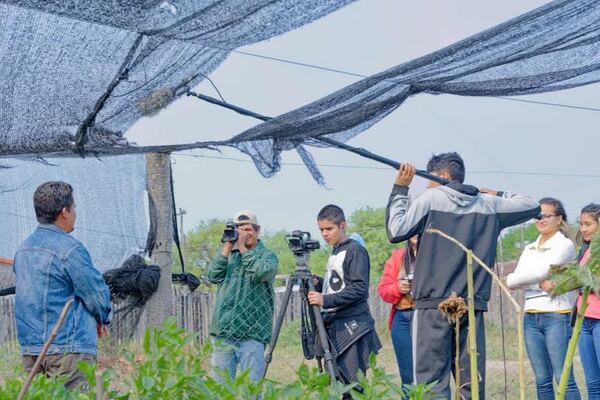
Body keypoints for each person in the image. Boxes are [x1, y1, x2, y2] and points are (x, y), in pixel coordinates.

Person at [385, 153, 540, 399]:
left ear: (444, 177)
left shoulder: (431, 198)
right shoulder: (489, 205)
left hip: (432, 307)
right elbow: (533, 205)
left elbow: (396, 230)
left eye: (430, 178)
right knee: (471, 385)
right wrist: (497, 194)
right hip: (470, 306)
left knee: (430, 385)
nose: (426, 184)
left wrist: (400, 189)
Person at [13, 181, 111, 390]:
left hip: (32, 351)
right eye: (74, 207)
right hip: (68, 349)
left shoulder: (23, 251)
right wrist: (102, 317)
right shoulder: (70, 249)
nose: (75, 213)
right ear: (64, 211)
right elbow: (94, 292)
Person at [507, 198, 580, 399]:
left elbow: (541, 271)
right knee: (541, 380)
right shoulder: (529, 248)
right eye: (537, 216)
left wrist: (527, 279)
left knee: (563, 377)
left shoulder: (564, 245)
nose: (540, 220)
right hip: (531, 316)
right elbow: (513, 281)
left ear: (559, 219)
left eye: (546, 216)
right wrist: (537, 281)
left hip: (557, 316)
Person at [308, 204, 382, 393]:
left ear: (343, 225)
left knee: (353, 386)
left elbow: (359, 288)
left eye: (329, 229)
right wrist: (320, 283)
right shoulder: (335, 251)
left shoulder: (355, 250)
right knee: (336, 383)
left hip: (352, 324)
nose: (325, 234)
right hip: (335, 324)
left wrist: (325, 300)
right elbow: (339, 284)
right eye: (321, 229)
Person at [207, 210, 278, 382]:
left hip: (252, 334)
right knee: (220, 391)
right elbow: (212, 276)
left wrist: (243, 249)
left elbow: (260, 273)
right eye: (239, 230)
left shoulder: (268, 256)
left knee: (251, 391)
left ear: (257, 230)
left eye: (247, 229)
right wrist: (227, 246)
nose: (244, 234)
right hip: (224, 333)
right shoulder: (228, 255)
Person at [377, 235, 417, 385]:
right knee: (407, 376)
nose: (416, 233)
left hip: (427, 317)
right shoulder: (397, 257)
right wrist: (398, 288)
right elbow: (383, 290)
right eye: (411, 230)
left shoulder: (434, 254)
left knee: (429, 372)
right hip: (402, 319)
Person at [576, 203, 600, 399]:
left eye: (588, 224)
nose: (583, 228)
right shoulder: (585, 249)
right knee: (592, 383)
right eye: (581, 224)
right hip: (584, 320)